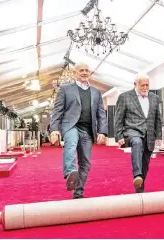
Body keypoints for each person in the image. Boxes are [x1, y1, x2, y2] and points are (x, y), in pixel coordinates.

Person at [49, 62, 107, 199]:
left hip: (87, 130)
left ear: (90, 72)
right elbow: (57, 110)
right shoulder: (65, 89)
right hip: (71, 126)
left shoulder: (96, 92)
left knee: (85, 163)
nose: (84, 72)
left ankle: (78, 192)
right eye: (81, 70)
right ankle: (70, 172)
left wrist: (103, 132)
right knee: (71, 145)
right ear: (75, 73)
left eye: (87, 70)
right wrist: (54, 129)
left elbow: (101, 114)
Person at [114, 74, 162, 193]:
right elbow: (118, 118)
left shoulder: (155, 98)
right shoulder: (124, 97)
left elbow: (158, 119)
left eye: (147, 85)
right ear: (135, 84)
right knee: (137, 142)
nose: (145, 88)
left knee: (145, 163)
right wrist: (118, 136)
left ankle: (139, 190)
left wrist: (159, 136)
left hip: (149, 134)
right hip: (132, 131)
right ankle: (137, 174)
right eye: (142, 85)